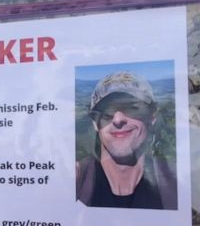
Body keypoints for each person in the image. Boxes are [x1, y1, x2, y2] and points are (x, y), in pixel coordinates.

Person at [76, 71, 177, 209]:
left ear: (152, 116)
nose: (118, 120)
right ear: (95, 122)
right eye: (107, 112)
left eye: (132, 108)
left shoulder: (176, 183)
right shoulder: (76, 181)